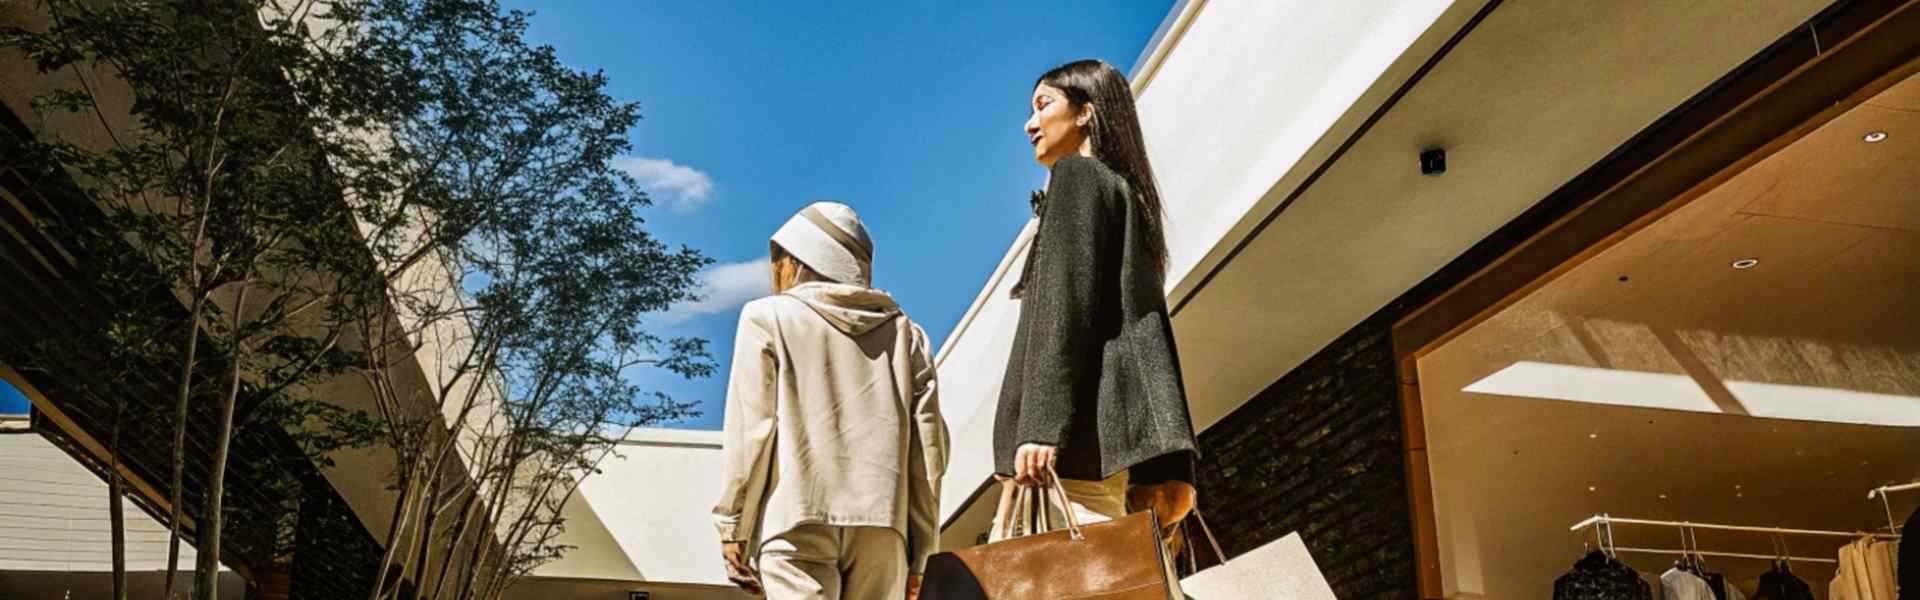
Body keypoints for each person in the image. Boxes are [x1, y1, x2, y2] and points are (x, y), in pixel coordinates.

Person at [991, 58, 1201, 540]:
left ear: (1086, 112)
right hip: (1107, 452)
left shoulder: (1079, 178)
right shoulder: (1126, 193)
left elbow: (1064, 310)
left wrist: (1041, 427)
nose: (1030, 124)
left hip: (1073, 454)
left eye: (1043, 105)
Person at [713, 202, 949, 600]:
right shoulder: (908, 335)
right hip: (883, 526)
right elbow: (928, 457)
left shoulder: (766, 317)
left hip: (796, 517)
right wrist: (923, 552)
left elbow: (752, 431)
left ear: (796, 259)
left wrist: (733, 525)